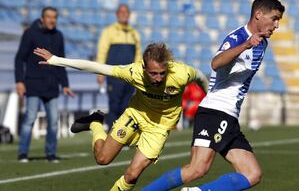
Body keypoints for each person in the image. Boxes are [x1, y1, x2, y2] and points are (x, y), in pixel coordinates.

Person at [142, 0, 285, 191]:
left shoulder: (262, 42)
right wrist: (244, 45)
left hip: (229, 116)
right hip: (216, 111)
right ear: (259, 14)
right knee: (197, 169)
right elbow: (216, 63)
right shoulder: (238, 38)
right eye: (274, 19)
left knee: (252, 174)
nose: (276, 25)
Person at [33, 42, 208, 190]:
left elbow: (200, 77)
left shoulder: (181, 73)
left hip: (159, 128)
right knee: (102, 159)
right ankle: (95, 123)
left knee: (132, 175)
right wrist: (56, 60)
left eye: (162, 73)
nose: (158, 79)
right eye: (153, 73)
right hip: (136, 115)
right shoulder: (134, 72)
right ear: (144, 67)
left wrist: (209, 97)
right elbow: (97, 67)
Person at [15, 6, 75, 163]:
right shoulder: (30, 33)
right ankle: (23, 153)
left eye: (54, 17)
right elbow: (19, 58)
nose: (52, 20)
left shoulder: (58, 36)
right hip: (33, 84)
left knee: (54, 121)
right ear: (42, 18)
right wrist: (19, 81)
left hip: (52, 85)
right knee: (29, 119)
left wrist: (65, 84)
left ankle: (51, 153)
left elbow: (61, 61)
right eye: (49, 17)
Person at [96, 4, 142, 130]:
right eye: (121, 12)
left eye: (126, 12)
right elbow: (102, 52)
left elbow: (138, 55)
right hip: (114, 75)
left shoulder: (134, 33)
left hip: (129, 76)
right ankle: (112, 136)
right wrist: (100, 72)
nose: (124, 14)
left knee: (127, 106)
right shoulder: (109, 31)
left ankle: (123, 136)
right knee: (114, 106)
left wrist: (138, 72)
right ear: (117, 14)